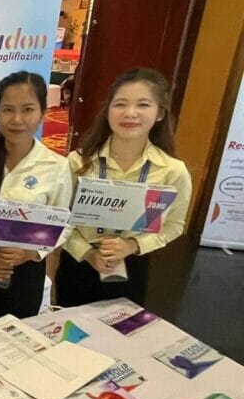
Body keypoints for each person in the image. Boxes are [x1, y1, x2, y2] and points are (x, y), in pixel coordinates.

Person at [55, 67, 192, 306]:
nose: (130, 113)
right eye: (120, 104)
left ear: (160, 113)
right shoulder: (78, 162)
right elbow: (59, 218)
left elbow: (175, 225)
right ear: (108, 110)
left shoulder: (172, 170)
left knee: (120, 327)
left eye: (143, 105)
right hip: (78, 264)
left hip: (131, 265)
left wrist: (133, 245)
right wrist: (88, 253)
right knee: (69, 327)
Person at [0, 71, 72, 327]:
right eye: (8, 109)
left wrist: (31, 252)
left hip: (26, 274)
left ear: (43, 113)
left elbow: (65, 224)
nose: (17, 119)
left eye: (28, 109)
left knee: (20, 338)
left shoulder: (56, 166)